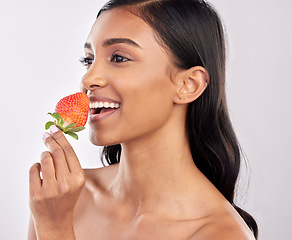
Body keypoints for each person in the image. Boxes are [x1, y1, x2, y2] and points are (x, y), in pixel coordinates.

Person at [28, 0, 258, 239]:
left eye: (118, 58)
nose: (88, 79)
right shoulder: (63, 198)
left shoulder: (220, 234)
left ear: (188, 85)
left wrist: (54, 229)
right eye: (88, 60)